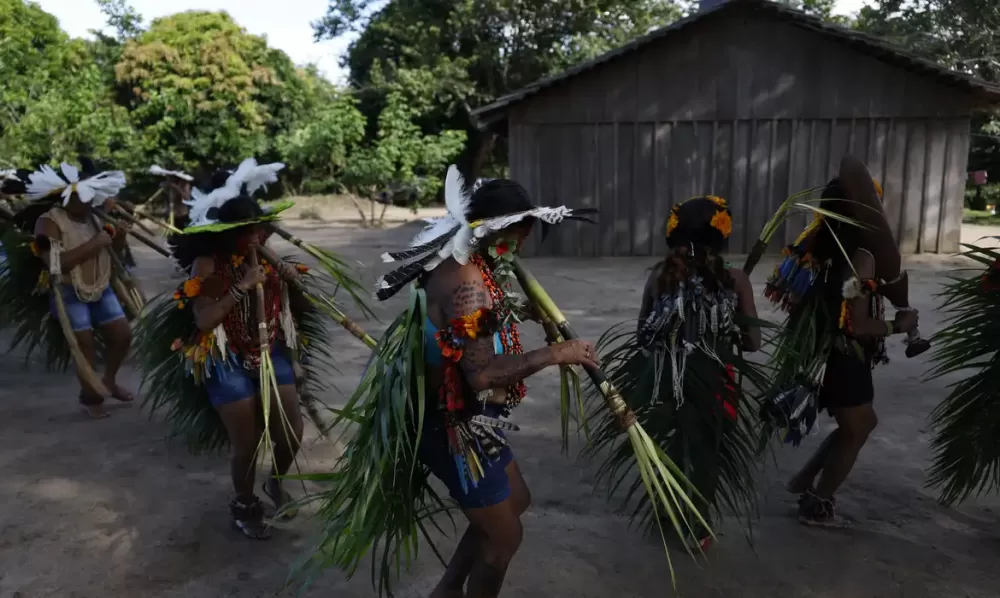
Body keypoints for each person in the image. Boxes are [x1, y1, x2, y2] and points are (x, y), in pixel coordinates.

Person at [305, 165, 599, 598]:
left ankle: (446, 589)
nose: (525, 241)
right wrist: (557, 353)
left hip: (469, 417)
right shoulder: (467, 281)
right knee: (504, 537)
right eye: (522, 230)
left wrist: (517, 314)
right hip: (453, 424)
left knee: (515, 503)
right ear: (506, 229)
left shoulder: (466, 265)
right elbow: (480, 375)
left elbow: (470, 328)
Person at [148, 159, 314, 539]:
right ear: (228, 234)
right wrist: (240, 286)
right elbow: (204, 320)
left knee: (290, 432)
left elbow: (304, 312)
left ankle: (275, 481)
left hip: (270, 350)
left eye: (260, 228)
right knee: (248, 441)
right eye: (248, 231)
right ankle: (244, 500)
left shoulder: (273, 259)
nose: (257, 236)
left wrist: (294, 285)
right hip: (226, 358)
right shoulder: (207, 264)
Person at [766, 178, 918, 527]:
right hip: (842, 357)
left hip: (817, 351)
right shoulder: (862, 256)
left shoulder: (817, 243)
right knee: (859, 426)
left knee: (855, 425)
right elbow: (859, 325)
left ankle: (803, 479)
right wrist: (900, 325)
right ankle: (816, 502)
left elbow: (799, 299)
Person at [614, 196, 761, 550]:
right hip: (714, 380)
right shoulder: (736, 279)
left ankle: (666, 506)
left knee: (672, 437)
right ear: (720, 237)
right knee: (707, 448)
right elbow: (753, 342)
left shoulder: (659, 277)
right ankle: (698, 523)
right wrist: (730, 325)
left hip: (666, 375)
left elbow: (642, 334)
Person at [26, 161, 134, 419]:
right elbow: (54, 265)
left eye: (89, 196)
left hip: (100, 286)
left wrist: (121, 234)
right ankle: (91, 396)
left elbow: (113, 250)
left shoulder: (95, 217)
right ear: (66, 195)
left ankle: (107, 380)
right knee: (83, 345)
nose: (87, 202)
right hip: (68, 291)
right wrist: (94, 244)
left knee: (122, 335)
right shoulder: (47, 222)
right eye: (81, 196)